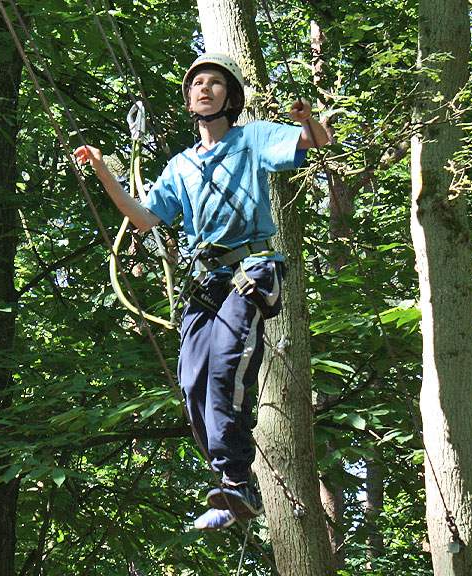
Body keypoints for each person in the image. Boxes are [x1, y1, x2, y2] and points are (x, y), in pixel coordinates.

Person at [74, 53, 328, 530]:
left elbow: (310, 142)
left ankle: (237, 482)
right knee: (193, 384)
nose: (204, 89)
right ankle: (227, 489)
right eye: (197, 84)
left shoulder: (251, 139)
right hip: (203, 285)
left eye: (214, 83)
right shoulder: (181, 166)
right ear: (191, 99)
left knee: (225, 370)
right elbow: (146, 218)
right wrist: (104, 170)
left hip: (249, 272)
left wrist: (308, 121)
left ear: (229, 96)